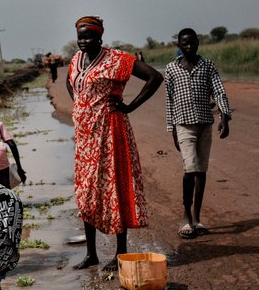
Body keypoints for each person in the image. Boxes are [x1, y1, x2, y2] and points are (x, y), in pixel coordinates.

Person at [67, 15, 163, 270]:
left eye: (88, 36)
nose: (83, 41)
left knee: (114, 186)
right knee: (85, 192)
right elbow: (72, 85)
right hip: (85, 138)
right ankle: (91, 254)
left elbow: (154, 77)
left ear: (100, 37)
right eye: (80, 37)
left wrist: (129, 106)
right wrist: (81, 106)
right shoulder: (76, 60)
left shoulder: (117, 59)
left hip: (111, 132)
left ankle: (121, 252)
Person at [164, 28, 232, 238]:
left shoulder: (207, 65)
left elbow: (219, 91)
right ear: (179, 46)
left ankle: (197, 218)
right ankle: (185, 216)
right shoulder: (171, 69)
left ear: (198, 43)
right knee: (190, 168)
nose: (189, 47)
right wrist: (172, 129)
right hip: (183, 125)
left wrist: (224, 116)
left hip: (205, 124)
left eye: (193, 43)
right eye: (185, 44)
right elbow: (170, 101)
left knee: (201, 170)